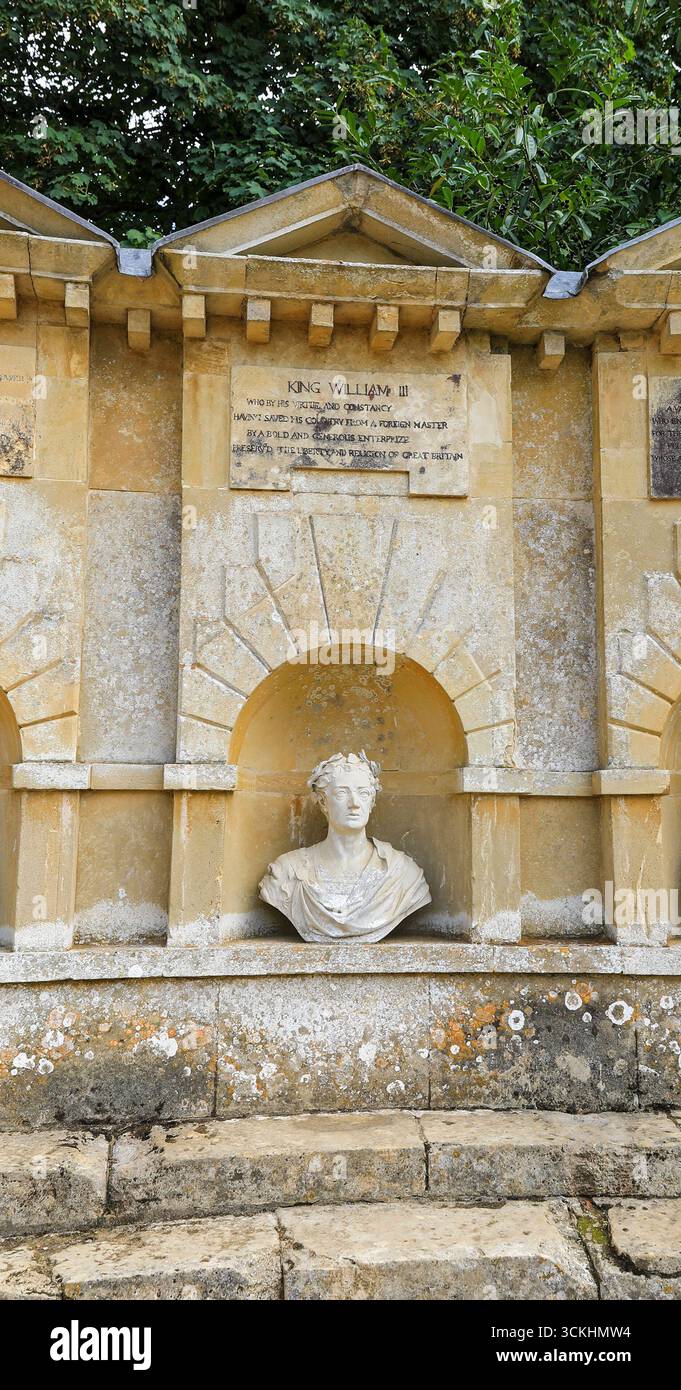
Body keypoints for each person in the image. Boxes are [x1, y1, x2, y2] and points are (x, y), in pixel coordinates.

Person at [259, 750, 431, 942]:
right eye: (342, 792)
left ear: (372, 801)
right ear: (324, 802)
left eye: (363, 793)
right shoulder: (287, 871)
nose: (355, 803)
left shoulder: (403, 874)